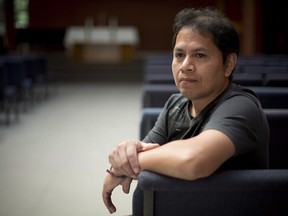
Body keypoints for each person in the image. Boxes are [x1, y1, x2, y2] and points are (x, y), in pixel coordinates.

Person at [102, 6, 269, 215]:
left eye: (199, 55)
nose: (185, 66)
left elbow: (194, 161)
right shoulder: (175, 103)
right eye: (179, 54)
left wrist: (130, 163)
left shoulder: (241, 106)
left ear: (229, 64)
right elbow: (147, 149)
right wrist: (127, 152)